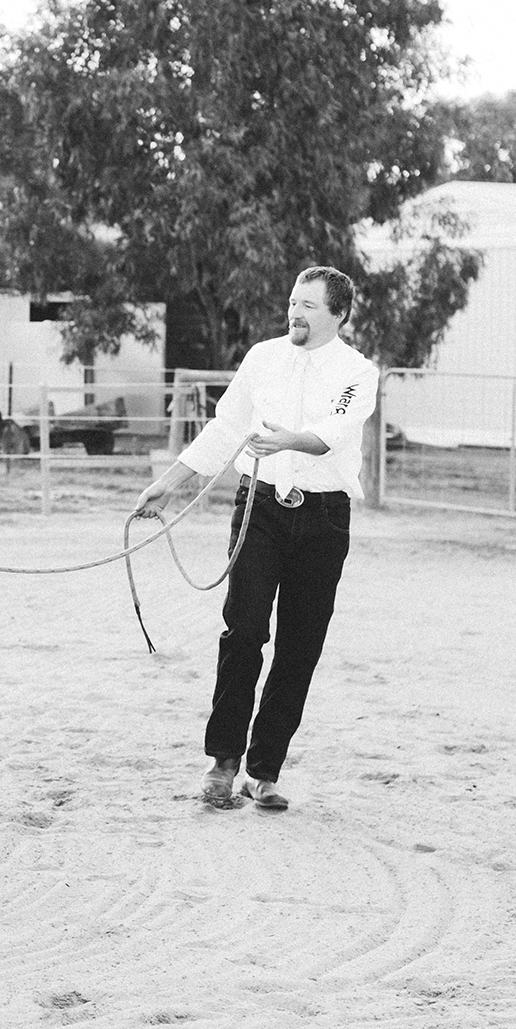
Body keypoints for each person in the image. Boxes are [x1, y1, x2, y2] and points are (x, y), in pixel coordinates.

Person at [134, 266, 378, 811]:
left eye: (310, 305)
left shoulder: (358, 372)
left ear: (338, 314)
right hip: (259, 508)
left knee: (300, 646)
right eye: (293, 302)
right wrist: (170, 484)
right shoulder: (262, 358)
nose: (296, 312)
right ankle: (223, 762)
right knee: (242, 632)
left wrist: (285, 440)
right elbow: (224, 428)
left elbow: (335, 435)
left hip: (324, 517)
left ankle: (264, 771)